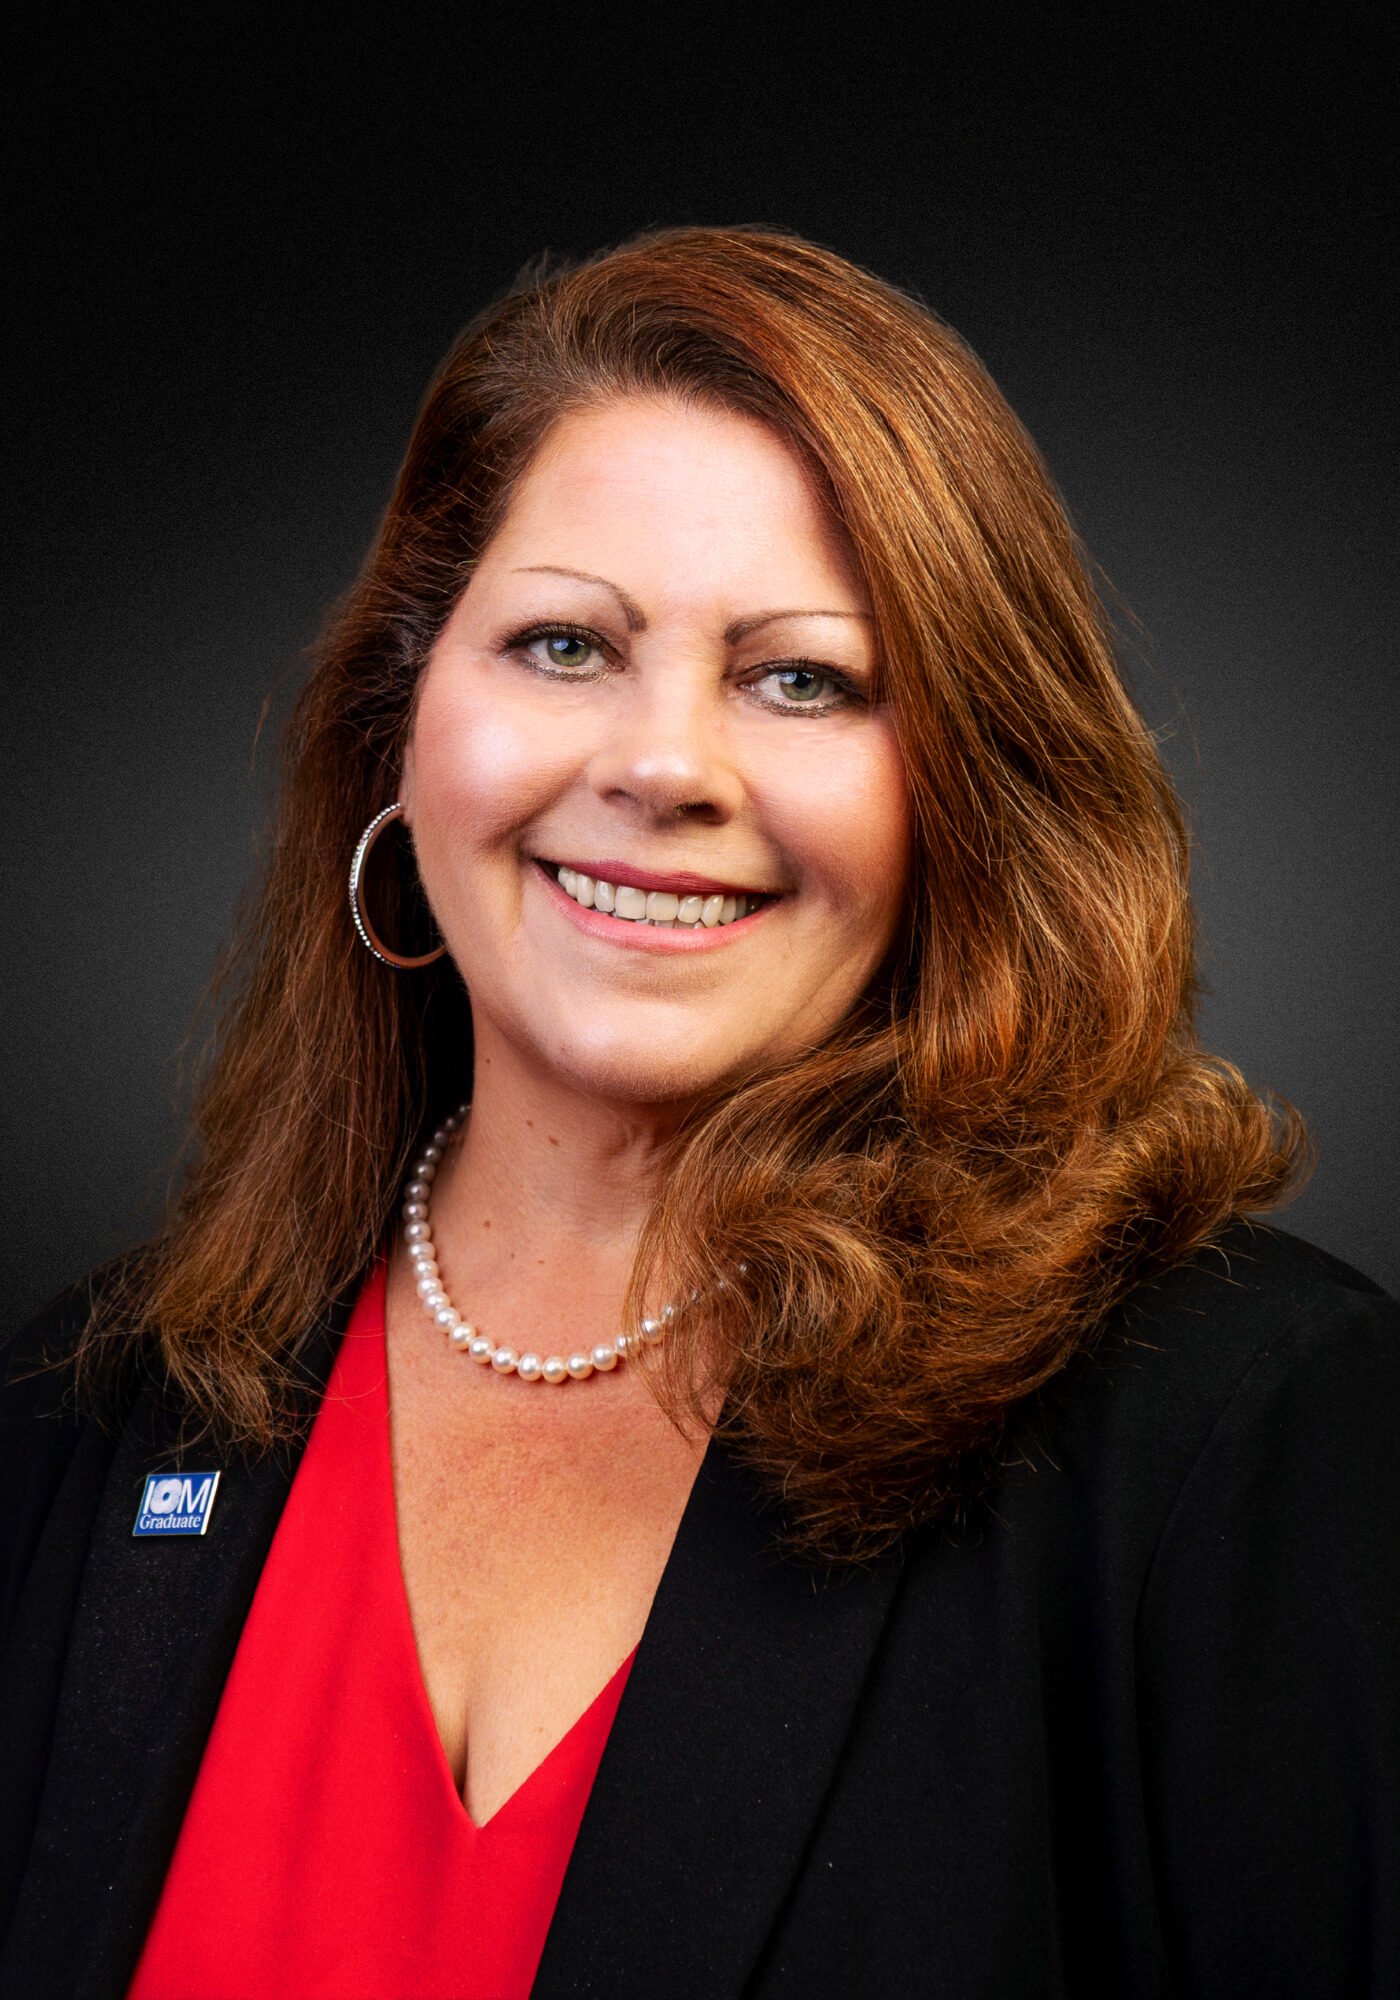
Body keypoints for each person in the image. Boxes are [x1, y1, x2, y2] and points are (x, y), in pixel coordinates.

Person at [1, 226, 1395, 2000]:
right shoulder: (89, 1424)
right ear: (400, 728)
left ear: (966, 794)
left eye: (801, 676)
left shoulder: (1240, 1438)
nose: (663, 765)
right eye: (567, 644)